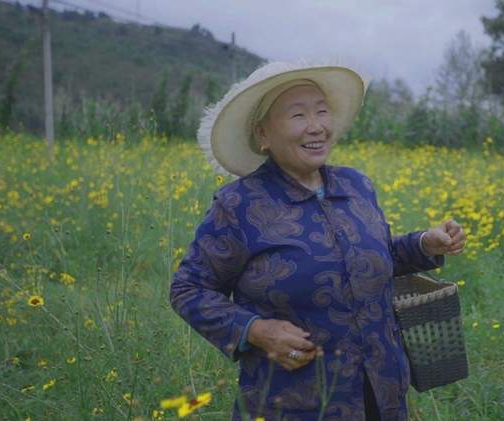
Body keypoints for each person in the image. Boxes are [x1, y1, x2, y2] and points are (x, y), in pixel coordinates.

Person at [169, 58, 466, 421]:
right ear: (262, 134)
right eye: (298, 116)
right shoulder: (239, 205)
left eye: (322, 112)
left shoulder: (357, 186)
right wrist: (257, 331)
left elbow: (375, 258)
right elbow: (189, 289)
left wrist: (423, 245)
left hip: (383, 394)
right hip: (294, 405)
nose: (317, 127)